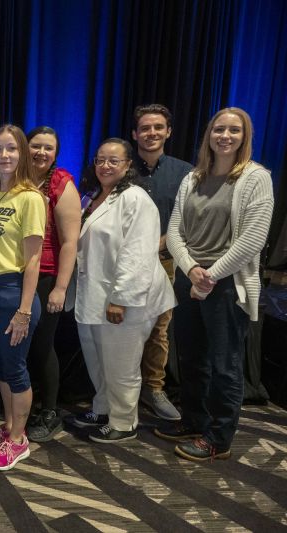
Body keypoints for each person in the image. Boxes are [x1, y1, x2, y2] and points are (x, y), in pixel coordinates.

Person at [158, 108, 273, 461]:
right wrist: (192, 269)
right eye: (219, 129)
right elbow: (175, 229)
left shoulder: (256, 178)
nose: (225, 135)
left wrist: (211, 275)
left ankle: (219, 437)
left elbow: (253, 238)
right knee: (191, 357)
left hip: (227, 284)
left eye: (234, 130)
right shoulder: (194, 177)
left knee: (225, 363)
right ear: (209, 134)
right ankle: (194, 420)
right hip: (191, 277)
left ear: (244, 136)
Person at [73, 138, 175, 444]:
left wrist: (121, 298)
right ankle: (103, 408)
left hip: (126, 299)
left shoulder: (135, 198)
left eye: (113, 160)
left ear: (128, 165)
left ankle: (124, 421)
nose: (105, 166)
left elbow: (138, 253)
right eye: (100, 159)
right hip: (93, 294)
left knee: (121, 363)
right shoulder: (92, 196)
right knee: (98, 359)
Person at [0, 125, 45, 471]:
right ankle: (9, 428)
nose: (5, 155)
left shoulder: (30, 197)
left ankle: (19, 440)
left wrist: (24, 310)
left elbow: (33, 260)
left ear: (22, 155)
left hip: (14, 294)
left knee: (15, 370)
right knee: (1, 368)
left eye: (11, 149)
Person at [131, 104, 193, 421]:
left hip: (166, 263)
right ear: (135, 134)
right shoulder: (123, 168)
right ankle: (123, 389)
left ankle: (153, 389)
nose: (151, 133)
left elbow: (190, 220)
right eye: (145, 128)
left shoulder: (185, 172)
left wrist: (161, 243)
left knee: (158, 331)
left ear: (168, 131)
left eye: (158, 127)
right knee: (124, 329)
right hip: (125, 265)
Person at [23, 126, 80, 442]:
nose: (41, 153)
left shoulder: (61, 183)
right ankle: (27, 407)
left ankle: (49, 411)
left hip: (47, 276)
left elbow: (70, 242)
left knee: (43, 346)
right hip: (15, 274)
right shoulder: (16, 178)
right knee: (24, 346)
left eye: (48, 148)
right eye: (36, 146)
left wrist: (60, 287)